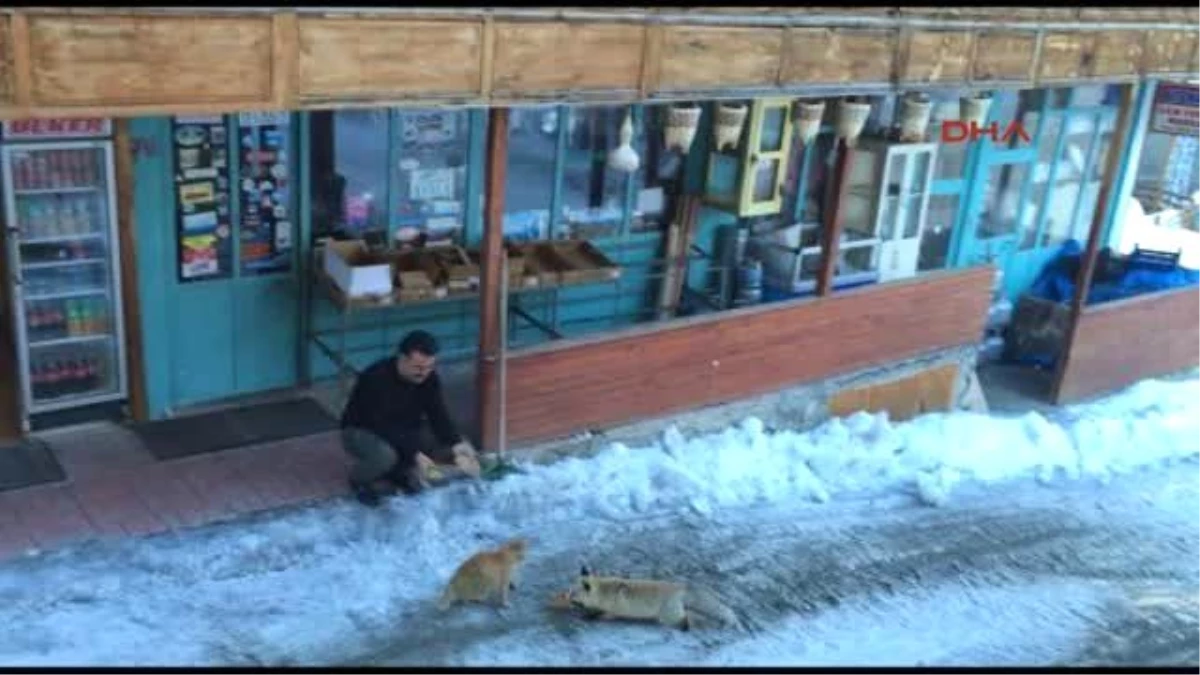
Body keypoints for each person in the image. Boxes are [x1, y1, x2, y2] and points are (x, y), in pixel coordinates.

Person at [340, 330, 480, 507]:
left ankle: (398, 473)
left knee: (448, 445)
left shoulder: (429, 379)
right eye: (418, 368)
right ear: (402, 359)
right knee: (385, 456)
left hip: (405, 427)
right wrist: (415, 454)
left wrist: (457, 443)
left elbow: (438, 414)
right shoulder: (375, 378)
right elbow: (382, 426)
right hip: (363, 430)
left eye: (429, 367)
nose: (424, 373)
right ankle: (359, 480)